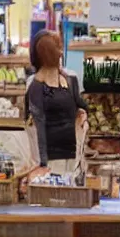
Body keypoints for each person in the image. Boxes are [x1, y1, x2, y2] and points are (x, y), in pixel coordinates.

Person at [26, 30, 87, 173]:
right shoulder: (34, 84)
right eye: (57, 48)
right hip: (51, 157)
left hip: (72, 153)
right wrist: (42, 163)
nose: (60, 53)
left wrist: (83, 115)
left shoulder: (71, 79)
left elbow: (81, 106)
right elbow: (37, 124)